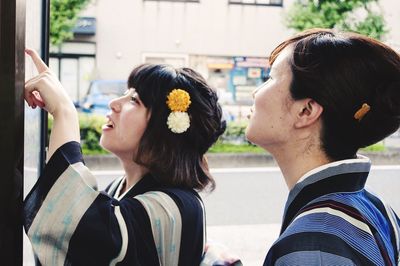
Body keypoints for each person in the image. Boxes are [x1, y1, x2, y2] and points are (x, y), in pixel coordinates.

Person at [23, 49, 229, 265]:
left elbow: (74, 228)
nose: (114, 103)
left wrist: (65, 112)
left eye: (134, 100)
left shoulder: (177, 206)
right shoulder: (119, 187)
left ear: (163, 128)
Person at [246, 29, 400, 265]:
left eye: (270, 78)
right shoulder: (375, 207)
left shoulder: (315, 243)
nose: (255, 93)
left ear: (306, 111)